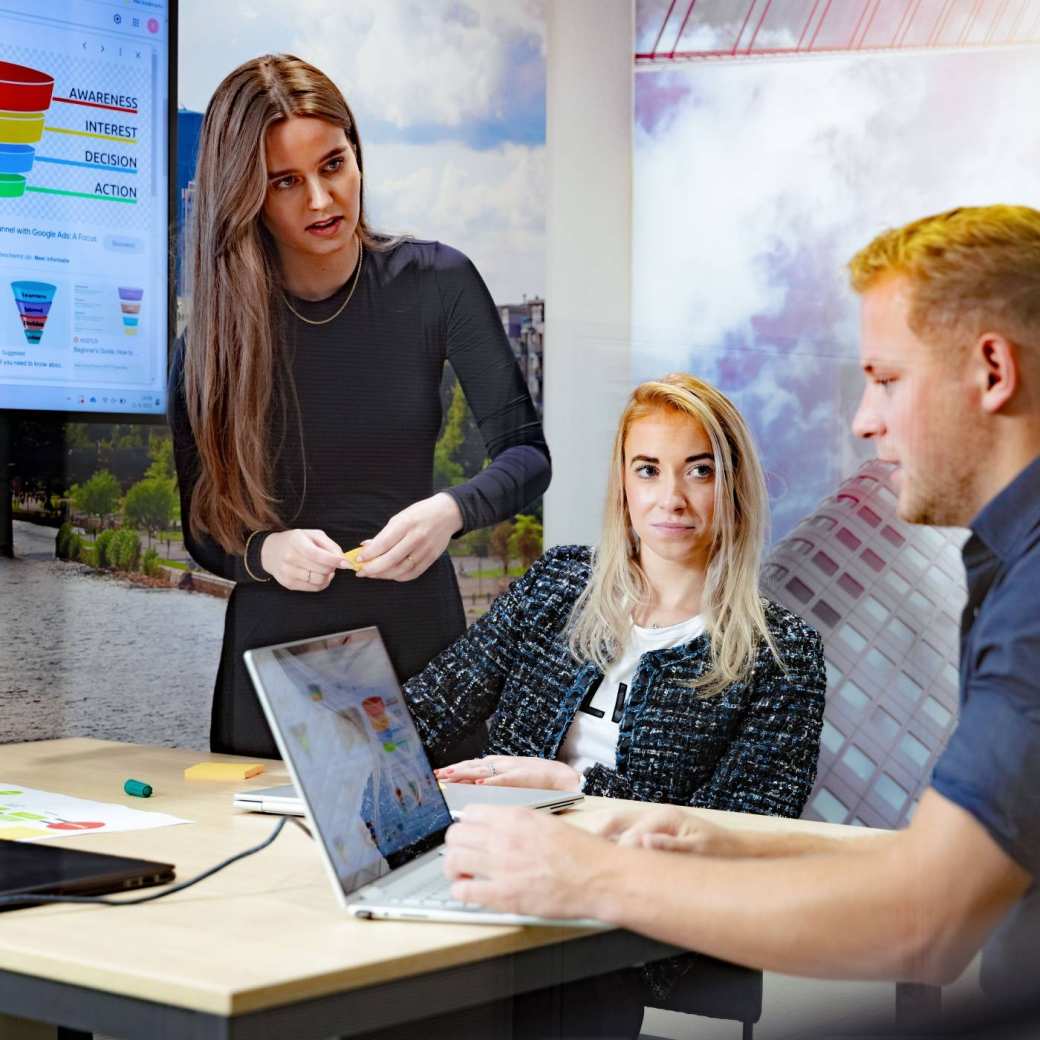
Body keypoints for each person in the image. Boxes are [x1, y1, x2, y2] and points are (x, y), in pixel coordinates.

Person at [441, 205, 1040, 1019]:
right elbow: (928, 859)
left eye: (887, 379)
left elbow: (924, 921)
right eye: (647, 470)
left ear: (994, 371)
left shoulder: (1025, 601)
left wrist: (585, 864)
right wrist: (713, 836)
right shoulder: (1006, 567)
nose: (865, 421)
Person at [401, 372, 825, 1032]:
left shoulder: (781, 654)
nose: (672, 498)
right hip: (495, 875)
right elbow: (430, 707)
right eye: (649, 470)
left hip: (634, 925)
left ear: (733, 484)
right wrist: (342, 743)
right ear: (623, 484)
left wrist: (574, 785)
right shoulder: (559, 583)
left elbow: (741, 831)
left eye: (700, 471)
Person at [168, 55, 550, 759]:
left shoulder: (438, 281)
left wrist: (452, 510)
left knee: (444, 867)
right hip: (276, 669)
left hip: (424, 652)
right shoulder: (211, 343)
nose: (322, 199)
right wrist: (266, 552)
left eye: (334, 164)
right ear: (245, 196)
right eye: (286, 182)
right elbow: (202, 532)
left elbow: (529, 457)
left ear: (356, 154)